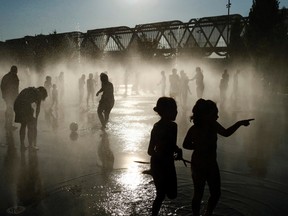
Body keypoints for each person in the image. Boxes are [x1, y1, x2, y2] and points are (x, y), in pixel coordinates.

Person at [182, 99, 254, 216]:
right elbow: (185, 144)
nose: (217, 116)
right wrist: (198, 146)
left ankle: (208, 213)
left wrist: (239, 123)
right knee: (198, 193)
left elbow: (226, 133)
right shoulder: (195, 129)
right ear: (205, 115)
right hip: (199, 164)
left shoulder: (213, 125)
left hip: (211, 164)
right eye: (215, 114)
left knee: (216, 193)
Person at [148, 97, 183, 216]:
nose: (177, 112)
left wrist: (177, 150)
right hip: (163, 163)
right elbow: (169, 146)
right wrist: (168, 155)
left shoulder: (156, 126)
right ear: (167, 111)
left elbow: (150, 151)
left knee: (164, 194)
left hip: (158, 162)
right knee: (164, 194)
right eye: (174, 110)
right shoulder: (173, 126)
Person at [14, 86, 48, 151]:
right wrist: (35, 119)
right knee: (31, 126)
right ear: (42, 93)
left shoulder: (29, 90)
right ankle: (30, 146)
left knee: (23, 125)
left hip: (17, 106)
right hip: (24, 107)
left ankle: (22, 145)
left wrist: (34, 117)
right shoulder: (38, 94)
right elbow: (37, 108)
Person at [1, 65, 19, 130]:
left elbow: (2, 87)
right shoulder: (12, 77)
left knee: (9, 109)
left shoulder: (7, 76)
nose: (17, 72)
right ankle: (8, 125)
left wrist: (4, 95)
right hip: (10, 96)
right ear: (13, 70)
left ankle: (7, 124)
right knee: (10, 109)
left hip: (9, 96)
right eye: (16, 71)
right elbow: (3, 87)